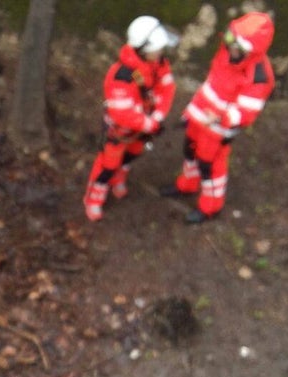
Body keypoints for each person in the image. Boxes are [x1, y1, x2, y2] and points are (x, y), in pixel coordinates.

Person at [164, 11, 275, 224]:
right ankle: (187, 184)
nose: (230, 47)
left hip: (219, 127)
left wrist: (220, 118)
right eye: (230, 40)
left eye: (237, 46)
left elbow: (246, 112)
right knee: (190, 149)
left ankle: (210, 206)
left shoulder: (258, 77)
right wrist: (192, 112)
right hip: (203, 116)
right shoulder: (227, 53)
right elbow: (211, 85)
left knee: (209, 165)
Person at [83, 15, 178, 222]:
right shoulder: (122, 76)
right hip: (121, 131)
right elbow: (123, 114)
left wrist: (158, 114)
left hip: (143, 128)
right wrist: (151, 123)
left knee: (131, 155)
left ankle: (120, 176)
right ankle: (93, 199)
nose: (162, 52)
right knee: (107, 166)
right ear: (144, 49)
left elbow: (167, 87)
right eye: (158, 48)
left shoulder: (157, 63)